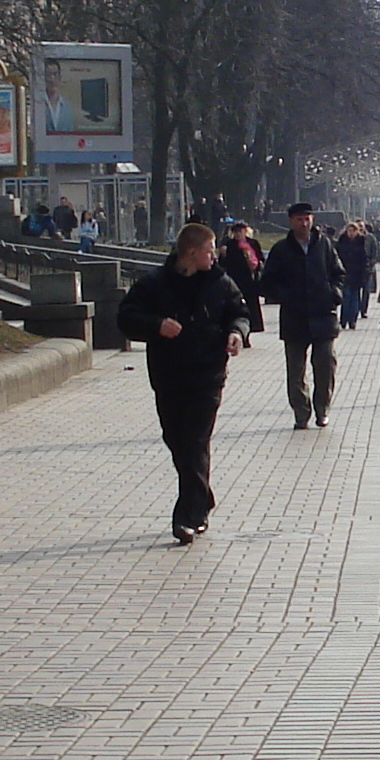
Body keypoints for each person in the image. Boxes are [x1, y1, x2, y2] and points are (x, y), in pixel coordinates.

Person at [115, 223, 252, 542]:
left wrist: (236, 332)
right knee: (176, 439)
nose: (215, 254)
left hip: (208, 374)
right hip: (168, 373)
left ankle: (187, 518)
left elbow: (239, 311)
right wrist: (156, 325)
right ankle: (202, 496)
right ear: (191, 253)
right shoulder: (154, 284)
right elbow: (125, 318)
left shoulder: (220, 281)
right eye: (210, 248)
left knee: (194, 440)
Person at [259, 200, 345, 430]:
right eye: (299, 219)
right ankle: (301, 411)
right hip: (294, 317)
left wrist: (333, 293)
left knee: (325, 366)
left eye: (307, 218)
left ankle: (322, 409)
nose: (304, 223)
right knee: (295, 370)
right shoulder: (281, 249)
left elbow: (338, 273)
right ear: (291, 222)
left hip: (323, 315)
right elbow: (267, 283)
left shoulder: (324, 245)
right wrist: (285, 295)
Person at [334, 218, 375, 334]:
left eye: (353, 231)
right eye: (349, 231)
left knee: (355, 298)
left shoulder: (361, 242)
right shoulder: (341, 242)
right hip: (345, 274)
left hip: (357, 275)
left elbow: (364, 259)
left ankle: (353, 320)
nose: (351, 233)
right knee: (346, 298)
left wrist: (365, 274)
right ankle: (343, 320)